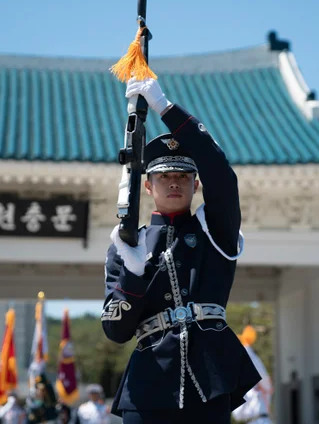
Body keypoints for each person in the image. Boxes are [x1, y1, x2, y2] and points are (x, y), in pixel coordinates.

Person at [101, 77, 261, 423]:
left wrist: (164, 108)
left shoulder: (215, 230)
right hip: (149, 385)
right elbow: (116, 331)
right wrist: (133, 273)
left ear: (195, 183)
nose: (174, 182)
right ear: (147, 185)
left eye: (183, 176)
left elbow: (221, 172)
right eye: (164, 176)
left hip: (209, 377)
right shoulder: (127, 246)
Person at [232, 326, 273, 424]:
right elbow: (237, 415)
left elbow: (258, 369)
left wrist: (245, 347)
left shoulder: (264, 384)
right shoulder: (244, 389)